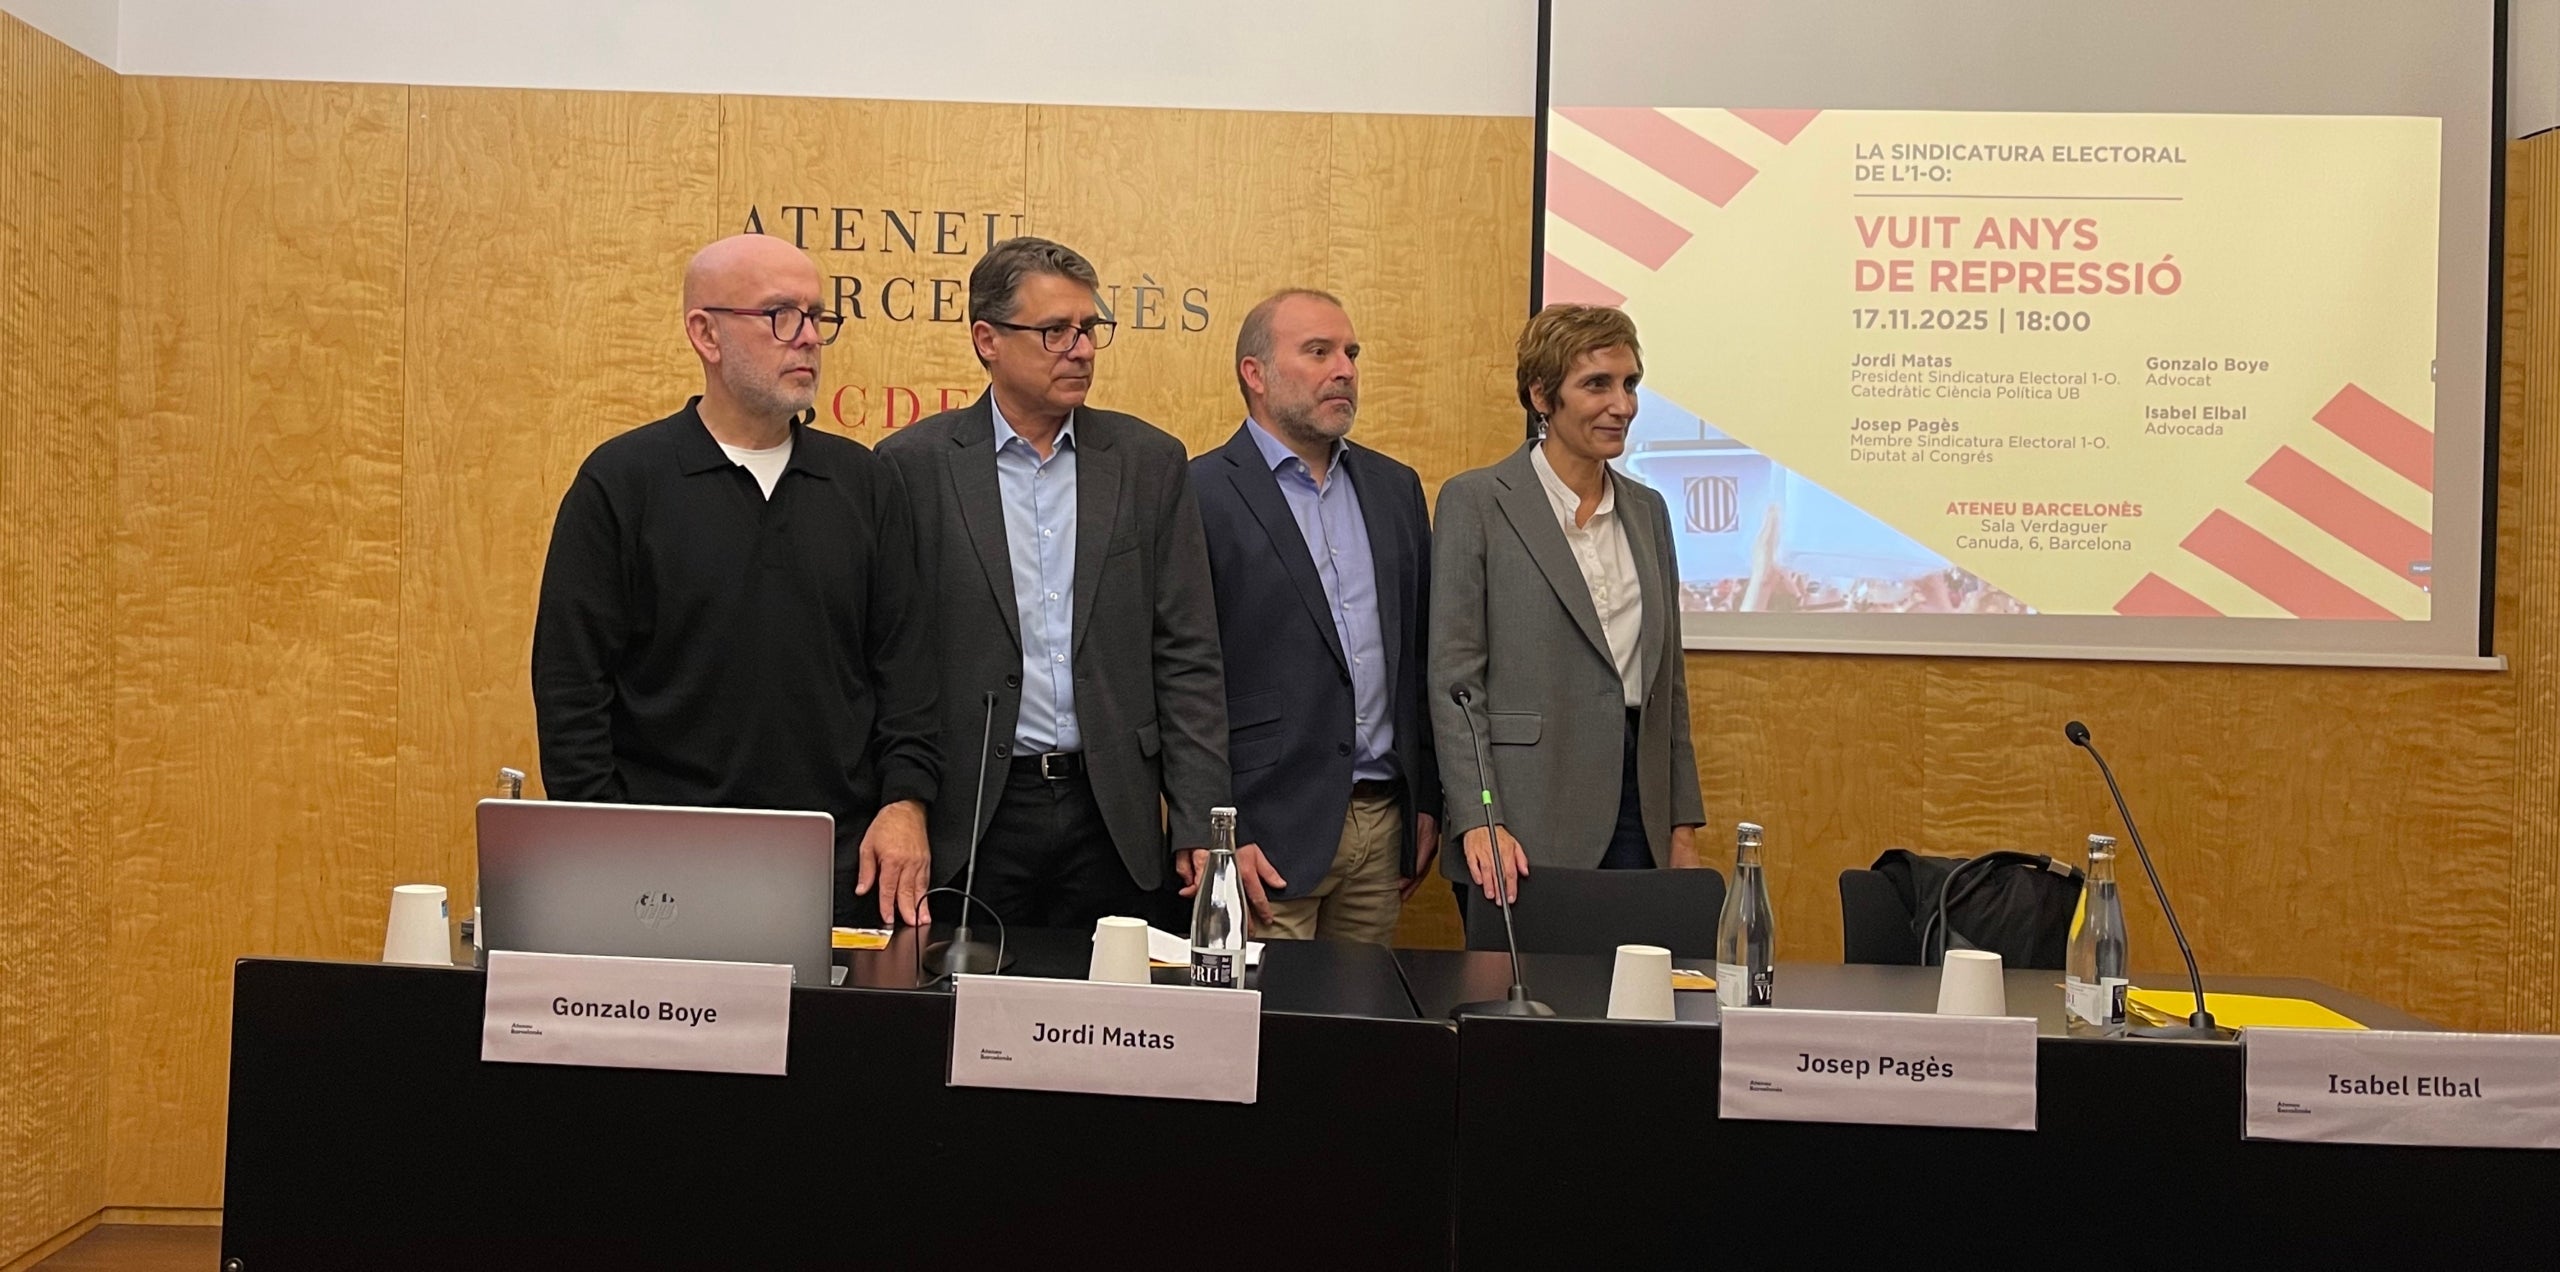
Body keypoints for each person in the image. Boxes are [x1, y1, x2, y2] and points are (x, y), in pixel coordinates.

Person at [532, 232, 939, 928]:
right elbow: (572, 690)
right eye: (781, 315)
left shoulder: (865, 483)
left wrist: (906, 803)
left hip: (841, 872)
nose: (808, 338)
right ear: (706, 334)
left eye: (817, 316)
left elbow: (907, 673)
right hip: (659, 873)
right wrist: (609, 842)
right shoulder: (624, 483)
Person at [878, 237, 1229, 931]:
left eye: (1089, 328)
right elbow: (891, 659)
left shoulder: (1147, 462)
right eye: (1055, 331)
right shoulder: (911, 467)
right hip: (973, 811)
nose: (1081, 348)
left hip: (1114, 811)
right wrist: (902, 799)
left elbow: (1187, 653)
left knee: (1113, 1024)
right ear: (988, 340)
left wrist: (1198, 818)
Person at [1429, 304, 1705, 906]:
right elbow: (1456, 686)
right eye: (1597, 384)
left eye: (1629, 383)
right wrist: (1480, 817)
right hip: (1522, 819)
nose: (1622, 405)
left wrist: (1682, 828)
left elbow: (1669, 685)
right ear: (1541, 396)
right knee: (1524, 998)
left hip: (1641, 815)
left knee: (1639, 999)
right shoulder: (1476, 502)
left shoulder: (1649, 510)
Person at [1193, 289, 1440, 943]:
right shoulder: (1198, 494)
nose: (1345, 369)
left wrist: (1427, 800)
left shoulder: (1395, 489)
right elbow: (1185, 681)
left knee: (1358, 1034)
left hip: (1383, 828)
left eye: (1351, 352)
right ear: (1256, 374)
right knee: (1263, 1038)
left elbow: (1419, 656)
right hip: (1265, 840)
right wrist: (1220, 830)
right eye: (1319, 351)